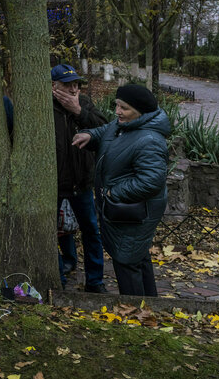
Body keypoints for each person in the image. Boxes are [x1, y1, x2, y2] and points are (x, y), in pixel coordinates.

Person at [72, 84, 170, 296]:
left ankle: (135, 312)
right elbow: (106, 131)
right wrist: (90, 135)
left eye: (124, 108)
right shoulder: (124, 125)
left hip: (134, 213)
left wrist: (111, 193)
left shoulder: (150, 140)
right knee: (137, 258)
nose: (118, 112)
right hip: (123, 212)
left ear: (140, 111)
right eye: (117, 105)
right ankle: (151, 306)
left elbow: (151, 181)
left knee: (127, 261)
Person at [50, 64, 108, 293]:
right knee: (51, 232)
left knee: (91, 231)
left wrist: (78, 112)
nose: (74, 89)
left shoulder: (83, 103)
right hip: (54, 184)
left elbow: (105, 130)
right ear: (54, 86)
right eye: (67, 85)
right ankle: (58, 280)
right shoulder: (45, 107)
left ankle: (95, 282)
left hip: (82, 182)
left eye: (76, 84)